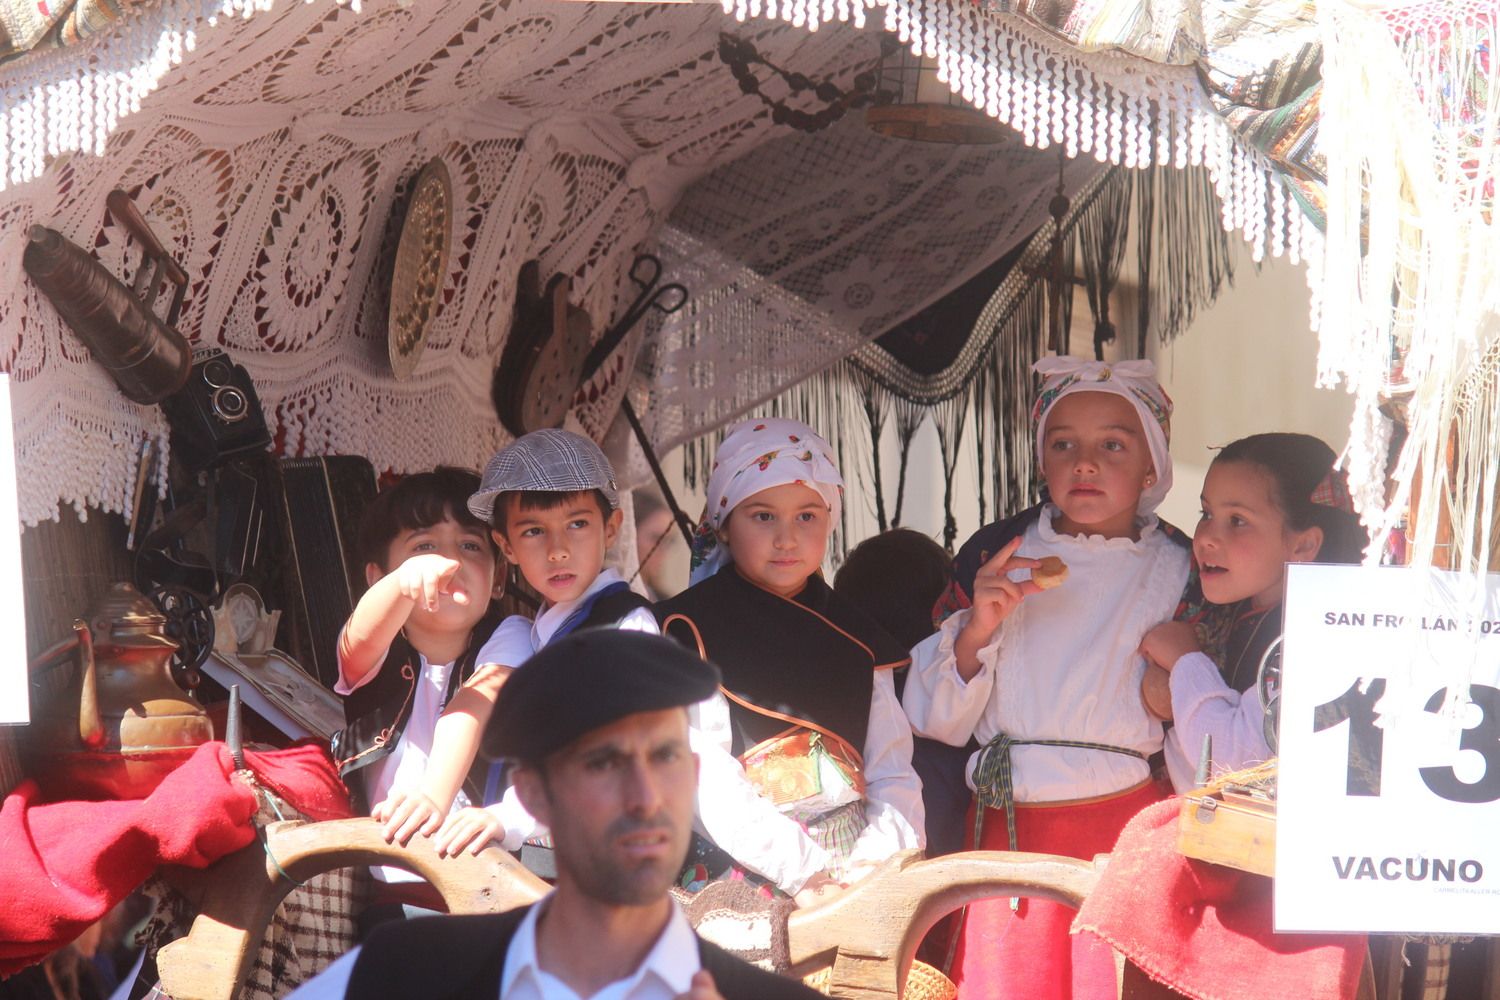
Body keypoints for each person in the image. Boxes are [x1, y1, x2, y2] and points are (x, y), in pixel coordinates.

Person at [289, 630, 823, 1000]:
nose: (645, 796)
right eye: (603, 763)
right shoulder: (407, 974)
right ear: (534, 795)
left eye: (665, 756)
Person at [903, 356, 1191, 999]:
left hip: (1123, 833)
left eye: (1112, 445)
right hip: (1008, 826)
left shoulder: (1184, 567)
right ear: (1041, 462)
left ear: (1152, 466)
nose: (1084, 463)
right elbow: (936, 721)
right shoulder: (996, 553)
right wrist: (978, 629)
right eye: (1064, 445)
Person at [656, 418, 925, 904]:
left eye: (807, 516)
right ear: (723, 523)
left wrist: (873, 866)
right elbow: (699, 772)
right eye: (762, 516)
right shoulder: (688, 630)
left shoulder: (860, 639)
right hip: (738, 870)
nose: (787, 538)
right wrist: (804, 874)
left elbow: (893, 770)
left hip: (855, 873)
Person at [432, 428, 659, 862]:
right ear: (506, 546)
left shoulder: (624, 627)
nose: (558, 550)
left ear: (610, 528)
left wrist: (509, 818)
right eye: (534, 531)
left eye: (577, 524)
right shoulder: (534, 635)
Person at [331, 467, 525, 910]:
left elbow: (474, 703)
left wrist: (433, 798)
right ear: (376, 577)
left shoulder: (513, 635)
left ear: (498, 579)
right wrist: (402, 584)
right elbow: (354, 643)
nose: (447, 561)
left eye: (471, 545)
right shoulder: (376, 645)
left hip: (484, 877)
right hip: (383, 877)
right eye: (423, 546)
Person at [1140, 433, 1366, 790]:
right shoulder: (1236, 616)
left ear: (1303, 544)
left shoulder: (1319, 639)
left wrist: (1186, 660)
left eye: (1238, 521)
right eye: (1207, 513)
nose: (1206, 538)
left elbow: (1231, 762)